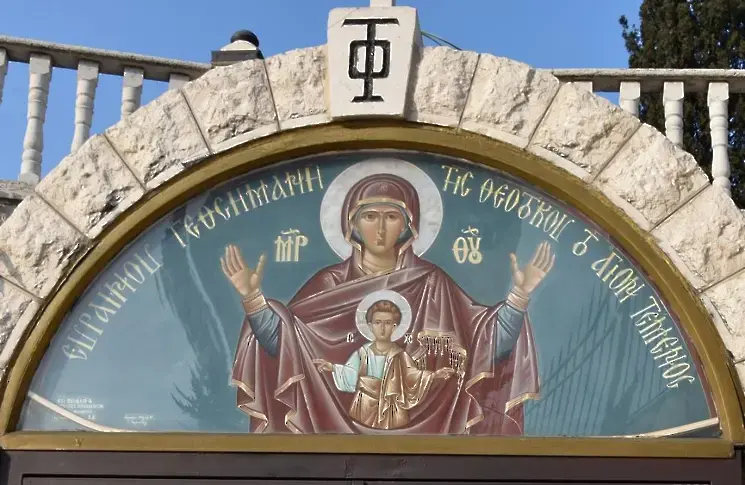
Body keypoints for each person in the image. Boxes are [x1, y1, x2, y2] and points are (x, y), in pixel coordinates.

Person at [221, 172, 554, 434]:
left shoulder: (432, 283)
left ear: (408, 225)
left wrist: (519, 296)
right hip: (328, 430)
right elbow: (286, 348)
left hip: (431, 435)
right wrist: (253, 298)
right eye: (370, 216)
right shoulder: (328, 284)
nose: (380, 228)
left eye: (391, 216)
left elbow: (484, 345)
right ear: (352, 224)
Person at [313, 299, 455, 430]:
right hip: (364, 405)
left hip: (392, 408)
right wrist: (333, 368)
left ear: (394, 327)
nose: (382, 328)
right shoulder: (363, 353)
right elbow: (350, 373)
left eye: (387, 323)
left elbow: (412, 376)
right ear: (370, 326)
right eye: (377, 322)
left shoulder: (400, 355)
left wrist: (434, 375)